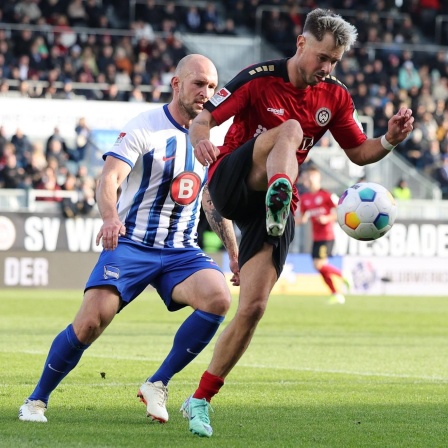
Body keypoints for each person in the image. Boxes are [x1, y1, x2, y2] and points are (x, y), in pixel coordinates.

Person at [181, 8, 414, 438]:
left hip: (271, 206)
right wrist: (199, 140)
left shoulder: (336, 97)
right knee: (287, 128)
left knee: (253, 308)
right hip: (234, 179)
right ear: (301, 44)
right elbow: (204, 118)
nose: (327, 69)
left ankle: (199, 399)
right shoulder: (258, 77)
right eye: (322, 57)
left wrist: (390, 140)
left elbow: (359, 152)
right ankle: (281, 192)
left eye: (335, 62)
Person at [18, 54, 239, 424]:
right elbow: (108, 179)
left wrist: (234, 251)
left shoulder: (211, 137)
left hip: (180, 249)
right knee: (90, 323)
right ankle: (36, 400)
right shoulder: (146, 126)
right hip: (132, 243)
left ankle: (158, 382)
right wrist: (109, 218)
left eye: (212, 86)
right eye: (198, 84)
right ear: (177, 84)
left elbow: (210, 199)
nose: (206, 93)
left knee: (218, 297)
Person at [295, 166, 349, 304]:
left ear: (318, 178)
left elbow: (339, 212)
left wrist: (327, 218)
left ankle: (343, 275)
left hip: (327, 235)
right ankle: (336, 293)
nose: (308, 180)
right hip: (316, 237)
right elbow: (303, 219)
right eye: (307, 177)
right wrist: (288, 223)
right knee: (317, 266)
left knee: (319, 265)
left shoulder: (326, 195)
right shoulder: (305, 198)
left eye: (311, 177)